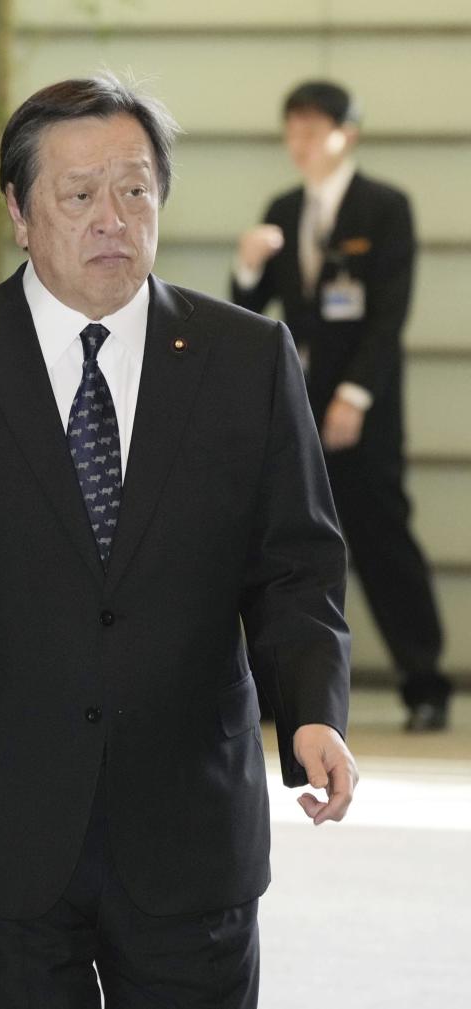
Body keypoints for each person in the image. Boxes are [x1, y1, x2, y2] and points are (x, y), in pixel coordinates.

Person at [0, 75, 358, 1009]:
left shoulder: (246, 359)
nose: (113, 217)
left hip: (190, 833)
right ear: (20, 211)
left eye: (135, 189)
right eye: (80, 194)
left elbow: (296, 564)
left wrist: (311, 709)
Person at [232, 80, 451, 732]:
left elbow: (388, 316)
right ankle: (276, 689)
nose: (298, 142)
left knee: (383, 541)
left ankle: (425, 682)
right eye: (290, 128)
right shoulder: (282, 207)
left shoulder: (385, 208)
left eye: (311, 128)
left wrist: (355, 397)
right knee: (282, 545)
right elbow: (250, 318)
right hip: (294, 408)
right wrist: (245, 270)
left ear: (345, 132)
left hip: (365, 411)